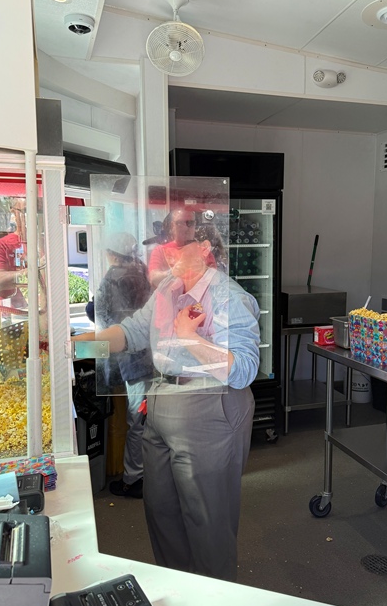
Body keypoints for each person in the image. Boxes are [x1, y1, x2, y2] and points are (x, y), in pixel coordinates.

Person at [75, 223, 260, 581]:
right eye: (164, 245)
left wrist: (190, 337)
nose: (167, 252)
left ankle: (215, 600)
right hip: (162, 400)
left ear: (204, 248)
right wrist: (74, 348)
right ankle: (179, 588)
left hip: (208, 406)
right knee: (161, 512)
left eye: (177, 244)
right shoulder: (167, 289)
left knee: (207, 520)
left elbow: (244, 370)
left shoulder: (229, 298)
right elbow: (129, 333)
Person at [88, 232, 153, 499]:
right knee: (146, 416)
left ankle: (133, 478)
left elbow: (102, 318)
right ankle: (149, 472)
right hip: (149, 353)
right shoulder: (142, 270)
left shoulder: (112, 278)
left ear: (111, 253)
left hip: (131, 356)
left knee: (137, 419)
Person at [0, 197, 27, 311]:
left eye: (39, 211)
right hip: (7, 313)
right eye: (26, 211)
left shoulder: (48, 245)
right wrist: (27, 273)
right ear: (14, 213)